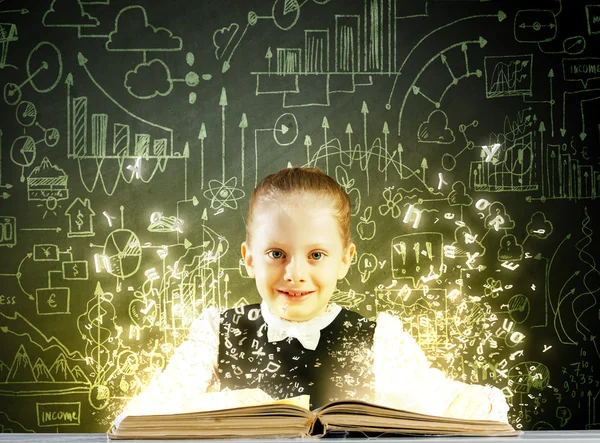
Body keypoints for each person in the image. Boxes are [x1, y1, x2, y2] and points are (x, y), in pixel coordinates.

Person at [118, 167, 509, 424]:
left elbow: (470, 409)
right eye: (276, 254)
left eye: (316, 255)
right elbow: (139, 416)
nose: (295, 274)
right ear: (249, 258)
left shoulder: (381, 342)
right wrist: (229, 407)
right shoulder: (215, 332)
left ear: (344, 259)